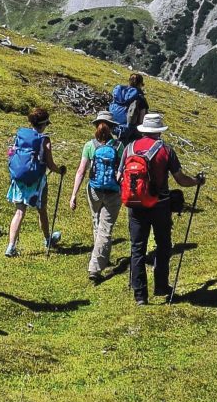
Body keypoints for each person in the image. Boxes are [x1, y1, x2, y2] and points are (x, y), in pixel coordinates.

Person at [119, 114, 203, 304]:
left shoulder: (129, 148)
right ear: (158, 131)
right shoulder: (165, 150)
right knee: (163, 245)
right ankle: (161, 286)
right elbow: (180, 179)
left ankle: (140, 295)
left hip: (135, 205)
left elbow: (119, 177)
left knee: (137, 248)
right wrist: (197, 181)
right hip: (160, 204)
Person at [2, 105, 58, 257]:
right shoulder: (44, 140)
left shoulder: (21, 135)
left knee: (19, 212)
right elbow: (50, 164)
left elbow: (11, 153)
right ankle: (48, 239)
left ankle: (11, 246)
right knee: (42, 210)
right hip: (37, 181)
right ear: (43, 124)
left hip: (19, 178)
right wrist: (60, 170)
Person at [78, 111, 124, 284]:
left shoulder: (90, 145)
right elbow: (122, 171)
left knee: (96, 221)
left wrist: (73, 194)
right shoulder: (119, 146)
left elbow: (82, 170)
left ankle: (99, 257)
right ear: (112, 127)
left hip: (94, 190)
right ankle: (95, 267)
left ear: (97, 125)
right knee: (106, 228)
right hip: (113, 191)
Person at [107, 71, 148, 147]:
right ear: (140, 84)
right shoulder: (140, 98)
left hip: (112, 125)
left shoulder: (119, 92)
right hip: (129, 131)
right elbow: (141, 120)